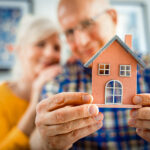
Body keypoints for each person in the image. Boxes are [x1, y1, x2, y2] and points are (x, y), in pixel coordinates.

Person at [32, 0, 150, 149]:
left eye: (87, 23)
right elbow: (37, 136)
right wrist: (45, 141)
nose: (82, 42)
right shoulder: (59, 79)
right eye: (69, 32)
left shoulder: (146, 67)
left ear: (112, 18)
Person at [0, 15, 62, 150]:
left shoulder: (58, 96)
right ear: (20, 50)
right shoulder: (2, 97)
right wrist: (35, 103)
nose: (50, 53)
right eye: (40, 44)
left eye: (56, 48)